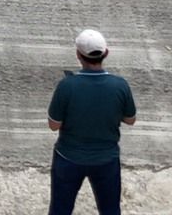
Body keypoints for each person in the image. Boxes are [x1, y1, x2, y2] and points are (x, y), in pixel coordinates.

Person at [46, 28, 137, 215]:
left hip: (68, 158)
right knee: (110, 210)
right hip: (107, 159)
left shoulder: (67, 86)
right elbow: (130, 119)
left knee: (60, 210)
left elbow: (53, 125)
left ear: (78, 55)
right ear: (106, 53)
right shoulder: (120, 85)